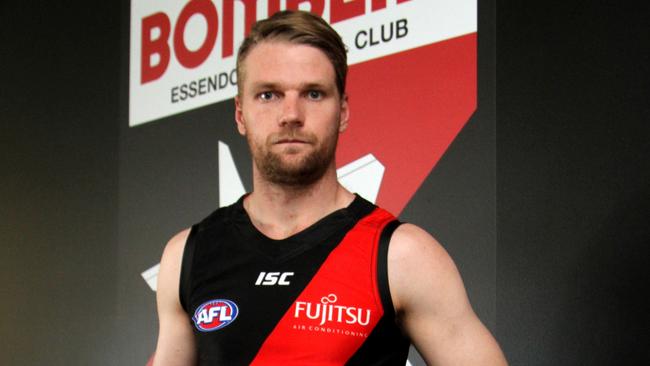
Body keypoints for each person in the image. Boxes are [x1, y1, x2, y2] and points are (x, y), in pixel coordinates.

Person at [153, 10, 507, 366]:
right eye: (268, 95)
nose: (291, 113)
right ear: (240, 114)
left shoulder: (402, 256)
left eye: (313, 93)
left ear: (344, 111)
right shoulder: (187, 255)